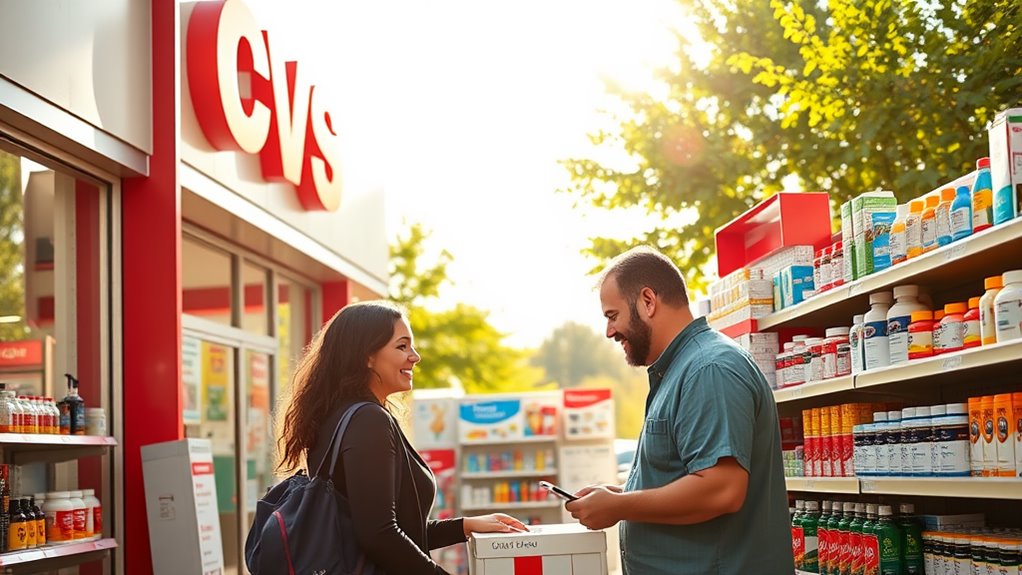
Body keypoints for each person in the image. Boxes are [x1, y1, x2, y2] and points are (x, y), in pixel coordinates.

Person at [565, 246, 794, 574]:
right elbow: (684, 475)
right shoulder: (679, 370)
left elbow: (721, 489)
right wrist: (624, 494)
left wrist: (620, 505)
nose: (609, 332)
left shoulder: (709, 369)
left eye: (612, 315)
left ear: (647, 301)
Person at [277, 301, 527, 574]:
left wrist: (465, 525)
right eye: (402, 346)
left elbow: (389, 529)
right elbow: (379, 536)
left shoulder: (339, 418)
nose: (415, 356)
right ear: (367, 356)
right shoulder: (367, 421)